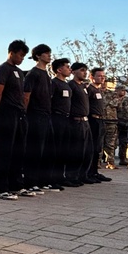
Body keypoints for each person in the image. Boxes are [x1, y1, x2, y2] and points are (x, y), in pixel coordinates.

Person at [0, 40, 29, 200]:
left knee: (18, 151)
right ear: (12, 52)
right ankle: (0, 188)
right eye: (20, 55)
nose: (21, 58)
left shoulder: (19, 72)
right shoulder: (3, 69)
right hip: (6, 113)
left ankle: (16, 185)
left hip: (19, 114)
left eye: (23, 56)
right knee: (4, 151)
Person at [23, 44, 54, 193]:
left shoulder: (46, 74)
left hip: (46, 116)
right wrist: (24, 115)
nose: (49, 56)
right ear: (38, 56)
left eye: (50, 53)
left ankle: (41, 180)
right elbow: (26, 95)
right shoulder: (33, 74)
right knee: (34, 150)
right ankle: (30, 181)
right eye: (46, 53)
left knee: (45, 150)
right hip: (35, 116)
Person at [68, 63, 96, 184]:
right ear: (73, 71)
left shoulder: (83, 86)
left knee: (88, 150)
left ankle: (83, 175)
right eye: (82, 70)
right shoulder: (71, 86)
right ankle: (72, 176)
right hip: (76, 121)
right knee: (76, 151)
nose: (84, 73)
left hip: (85, 121)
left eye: (86, 71)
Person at [49, 58, 74, 189]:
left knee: (64, 150)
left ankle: (60, 176)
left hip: (66, 119)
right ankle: (52, 178)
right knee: (55, 150)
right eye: (67, 67)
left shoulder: (67, 85)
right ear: (59, 70)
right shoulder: (54, 83)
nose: (69, 69)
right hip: (56, 119)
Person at [87, 68, 111, 182]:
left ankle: (95, 171)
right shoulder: (89, 89)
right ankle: (88, 172)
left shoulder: (99, 90)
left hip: (101, 120)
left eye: (103, 76)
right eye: (99, 76)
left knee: (98, 148)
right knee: (92, 147)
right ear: (92, 77)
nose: (102, 78)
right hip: (93, 120)